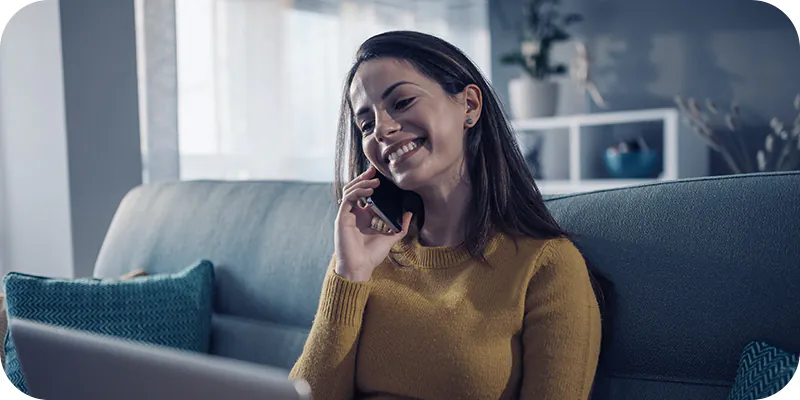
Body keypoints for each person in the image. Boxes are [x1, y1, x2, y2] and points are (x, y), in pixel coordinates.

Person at [289, 30, 602, 400]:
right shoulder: (363, 254)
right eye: (366, 125)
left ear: (469, 105)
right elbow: (306, 395)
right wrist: (350, 274)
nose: (383, 130)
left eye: (402, 101)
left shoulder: (545, 265)